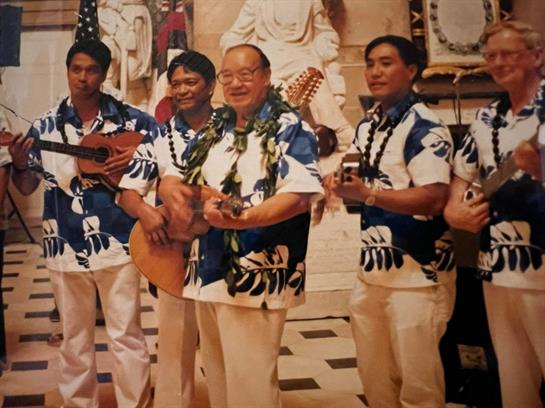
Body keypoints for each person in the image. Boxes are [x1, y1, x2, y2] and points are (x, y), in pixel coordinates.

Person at [158, 44, 323, 408]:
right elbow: (178, 176)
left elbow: (298, 196)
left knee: (251, 389)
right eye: (228, 75)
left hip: (258, 275)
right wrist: (174, 191)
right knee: (219, 383)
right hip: (207, 274)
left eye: (245, 74)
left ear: (266, 77)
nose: (235, 83)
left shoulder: (290, 128)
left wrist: (243, 218)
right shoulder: (215, 128)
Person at [8, 39, 156, 407]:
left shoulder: (133, 120)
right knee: (74, 340)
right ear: (68, 71)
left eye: (91, 70)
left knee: (127, 335)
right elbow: (26, 187)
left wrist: (134, 161)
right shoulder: (45, 126)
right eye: (77, 69)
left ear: (104, 74)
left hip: (120, 243)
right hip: (65, 245)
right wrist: (21, 163)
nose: (83, 78)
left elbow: (165, 158)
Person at [324, 35, 455, 407]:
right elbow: (357, 172)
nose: (374, 72)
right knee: (376, 379)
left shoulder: (425, 125)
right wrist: (337, 182)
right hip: (372, 272)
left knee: (419, 387)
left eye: (385, 63)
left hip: (419, 274)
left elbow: (434, 197)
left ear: (411, 70)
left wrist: (367, 193)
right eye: (369, 63)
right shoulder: (370, 125)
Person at [444, 20, 545, 408]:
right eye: (491, 57)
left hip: (541, 266)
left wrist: (537, 168)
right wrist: (456, 210)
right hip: (495, 266)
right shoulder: (486, 117)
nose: (498, 62)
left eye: (509, 54)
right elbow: (461, 174)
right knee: (514, 377)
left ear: (536, 56)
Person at [118, 50, 216, 407]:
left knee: (224, 348)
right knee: (173, 345)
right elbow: (128, 192)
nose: (182, 90)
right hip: (174, 258)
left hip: (225, 255)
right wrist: (144, 211)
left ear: (211, 86)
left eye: (191, 82)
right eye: (176, 84)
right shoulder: (160, 136)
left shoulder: (234, 128)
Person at [220, 0, 354, 150]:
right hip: (269, 55)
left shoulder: (311, 2)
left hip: (302, 52)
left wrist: (325, 45)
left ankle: (335, 129)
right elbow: (237, 32)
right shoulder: (256, 2)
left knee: (313, 69)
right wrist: (235, 50)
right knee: (274, 79)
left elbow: (325, 32)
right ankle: (280, 135)